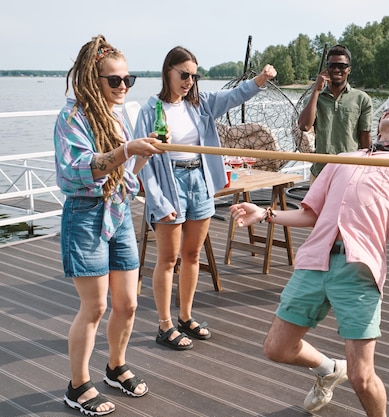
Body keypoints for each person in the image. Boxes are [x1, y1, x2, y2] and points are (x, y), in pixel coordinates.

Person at [231, 100, 389, 416]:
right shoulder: (344, 159)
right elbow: (310, 213)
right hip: (314, 261)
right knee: (277, 348)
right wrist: (265, 213)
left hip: (358, 270)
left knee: (362, 376)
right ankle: (328, 369)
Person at [134, 46, 276, 351]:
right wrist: (157, 202)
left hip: (198, 180)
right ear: (168, 72)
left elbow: (234, 96)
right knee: (168, 259)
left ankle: (185, 316)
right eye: (183, 74)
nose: (188, 81)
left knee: (192, 255)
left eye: (193, 76)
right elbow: (142, 164)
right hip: (168, 182)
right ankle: (164, 325)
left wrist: (260, 80)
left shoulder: (200, 104)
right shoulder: (150, 110)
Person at [54, 35, 164, 416]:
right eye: (114, 80)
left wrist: (142, 156)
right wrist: (126, 150)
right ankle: (78, 386)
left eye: (127, 80)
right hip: (85, 216)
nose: (123, 87)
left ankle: (115, 367)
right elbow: (77, 171)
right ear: (90, 79)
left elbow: (124, 173)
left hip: (117, 213)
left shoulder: (116, 115)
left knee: (129, 303)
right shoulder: (71, 118)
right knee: (95, 306)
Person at [297, 44, 373, 181]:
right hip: (320, 171)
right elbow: (304, 126)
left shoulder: (362, 99)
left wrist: (368, 170)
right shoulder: (313, 99)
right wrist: (316, 90)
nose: (337, 69)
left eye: (342, 66)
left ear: (349, 69)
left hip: (350, 172)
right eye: (332, 65)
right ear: (326, 69)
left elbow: (365, 136)